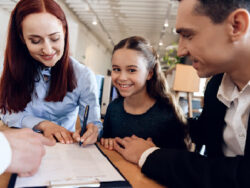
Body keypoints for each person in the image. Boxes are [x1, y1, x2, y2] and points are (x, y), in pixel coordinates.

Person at [114, 0, 250, 188]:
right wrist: (158, 114)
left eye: (188, 35)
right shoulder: (216, 87)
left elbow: (242, 176)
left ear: (237, 25)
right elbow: (205, 130)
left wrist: (148, 155)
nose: (180, 50)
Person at [0, 0, 102, 146]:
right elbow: (7, 113)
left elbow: (93, 121)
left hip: (63, 150)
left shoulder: (83, 76)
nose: (47, 50)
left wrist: (93, 130)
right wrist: (43, 124)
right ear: (22, 38)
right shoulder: (12, 68)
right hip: (22, 146)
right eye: (35, 41)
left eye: (55, 38)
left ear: (65, 32)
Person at [100, 36, 191, 151]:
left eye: (132, 70)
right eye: (116, 69)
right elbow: (106, 141)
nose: (122, 77)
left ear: (149, 74)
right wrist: (106, 141)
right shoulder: (113, 108)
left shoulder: (167, 114)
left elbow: (180, 160)